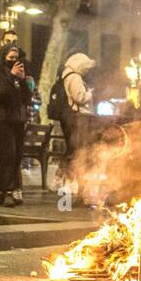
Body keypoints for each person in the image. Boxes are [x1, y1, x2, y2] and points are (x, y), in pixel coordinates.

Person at [0, 43, 32, 206]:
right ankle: (5, 191)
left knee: (16, 157)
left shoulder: (19, 76)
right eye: (10, 58)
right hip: (2, 120)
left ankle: (5, 190)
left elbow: (27, 98)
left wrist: (22, 81)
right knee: (7, 155)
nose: (14, 61)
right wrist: (11, 76)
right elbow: (0, 94)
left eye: (16, 58)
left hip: (17, 120)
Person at [57, 52, 96, 190]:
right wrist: (89, 94)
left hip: (70, 117)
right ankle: (71, 182)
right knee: (78, 150)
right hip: (78, 117)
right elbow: (80, 97)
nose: (86, 70)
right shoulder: (75, 78)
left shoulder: (66, 75)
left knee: (72, 149)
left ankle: (64, 180)